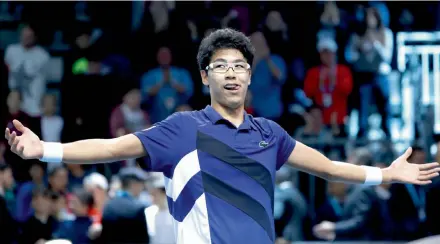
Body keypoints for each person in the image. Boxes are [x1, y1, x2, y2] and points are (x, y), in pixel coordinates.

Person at [4, 28, 440, 244]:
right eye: (221, 66)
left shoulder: (270, 134)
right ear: (204, 76)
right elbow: (115, 147)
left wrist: (385, 174)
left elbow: (328, 167)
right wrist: (45, 150)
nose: (231, 73)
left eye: (239, 66)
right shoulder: (182, 128)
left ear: (251, 76)